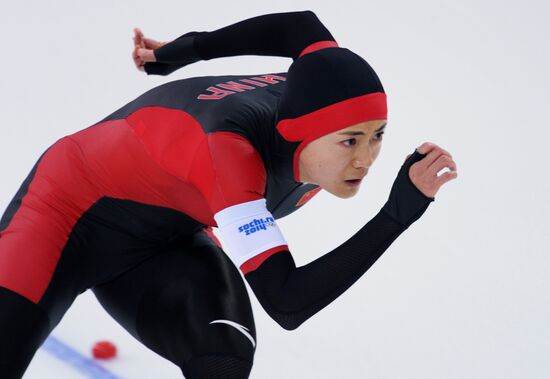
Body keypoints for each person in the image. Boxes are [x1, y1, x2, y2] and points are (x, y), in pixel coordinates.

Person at [0, 10, 457, 379]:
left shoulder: (322, 86)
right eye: (349, 141)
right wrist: (397, 215)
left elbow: (301, 28)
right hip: (63, 214)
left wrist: (181, 52)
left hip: (165, 239)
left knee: (223, 359)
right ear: (297, 135)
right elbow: (288, 301)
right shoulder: (230, 155)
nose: (366, 159)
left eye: (377, 134)